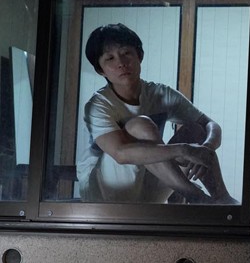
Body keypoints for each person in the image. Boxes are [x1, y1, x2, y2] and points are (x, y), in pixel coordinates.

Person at [76, 23, 236, 204]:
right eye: (110, 58)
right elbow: (120, 154)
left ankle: (222, 199)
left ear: (139, 56)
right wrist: (184, 150)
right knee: (140, 126)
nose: (121, 63)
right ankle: (196, 197)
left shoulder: (160, 93)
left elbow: (211, 125)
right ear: (100, 70)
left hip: (151, 188)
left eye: (126, 53)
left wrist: (206, 149)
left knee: (196, 129)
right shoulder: (98, 104)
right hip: (106, 193)